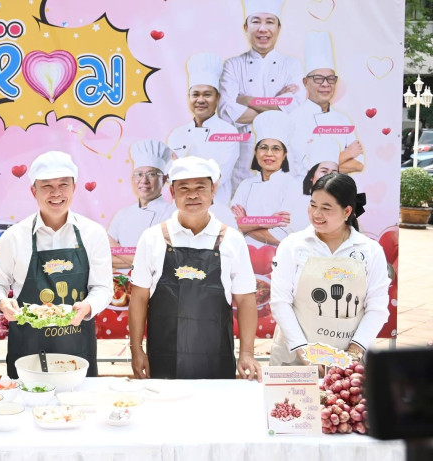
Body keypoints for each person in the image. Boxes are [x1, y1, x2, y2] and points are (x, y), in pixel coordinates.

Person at [128, 156, 261, 381]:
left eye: (200, 187)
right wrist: (136, 350)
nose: (192, 195)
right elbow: (139, 298)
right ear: (172, 192)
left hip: (216, 358)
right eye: (184, 188)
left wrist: (247, 353)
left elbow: (246, 300)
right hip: (162, 359)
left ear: (213, 190)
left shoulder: (232, 240)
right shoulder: (152, 238)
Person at [0, 151, 113, 378]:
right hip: (27, 348)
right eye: (47, 186)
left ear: (74, 188)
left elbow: (102, 287)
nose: (56, 193)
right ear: (33, 191)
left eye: (63, 184)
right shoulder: (14, 237)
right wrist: (2, 303)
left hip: (77, 347)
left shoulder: (93, 233)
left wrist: (89, 306)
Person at [269, 173, 390, 366]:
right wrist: (304, 353)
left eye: (326, 208)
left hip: (350, 362)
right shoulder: (293, 246)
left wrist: (353, 354)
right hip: (296, 359)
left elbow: (377, 308)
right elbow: (280, 302)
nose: (316, 214)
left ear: (347, 211)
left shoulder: (370, 251)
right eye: (313, 205)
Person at [218, 0, 304, 187]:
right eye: (256, 21)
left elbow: (294, 106)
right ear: (245, 27)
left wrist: (246, 99)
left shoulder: (292, 65)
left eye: (270, 22)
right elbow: (226, 111)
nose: (263, 29)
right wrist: (276, 105)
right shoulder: (233, 65)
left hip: (284, 163)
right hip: (243, 162)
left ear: (279, 27)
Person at [288, 31, 364, 176]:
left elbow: (359, 164)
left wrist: (322, 165)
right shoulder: (295, 119)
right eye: (318, 78)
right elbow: (307, 167)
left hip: (339, 189)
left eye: (330, 79)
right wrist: (348, 153)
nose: (325, 84)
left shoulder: (343, 119)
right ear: (305, 82)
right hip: (306, 189)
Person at [168, 53, 240, 205]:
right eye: (195, 94)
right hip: (180, 211)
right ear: (188, 97)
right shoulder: (177, 134)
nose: (200, 100)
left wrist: (181, 167)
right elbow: (170, 177)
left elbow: (217, 177)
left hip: (216, 210)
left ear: (218, 97)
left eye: (207, 95)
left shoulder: (229, 133)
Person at [230, 110, 304, 247]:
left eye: (276, 149)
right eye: (263, 147)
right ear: (256, 152)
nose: (269, 154)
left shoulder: (293, 186)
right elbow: (231, 225)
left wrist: (245, 222)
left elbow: (282, 237)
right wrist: (267, 221)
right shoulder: (245, 185)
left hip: (277, 255)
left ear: (284, 154)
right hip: (243, 253)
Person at [107, 139, 173, 269]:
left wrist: (116, 249)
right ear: (132, 178)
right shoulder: (122, 214)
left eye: (151, 174)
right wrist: (143, 260)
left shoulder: (172, 214)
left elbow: (162, 261)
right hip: (120, 281)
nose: (144, 180)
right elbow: (104, 257)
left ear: (164, 179)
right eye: (138, 174)